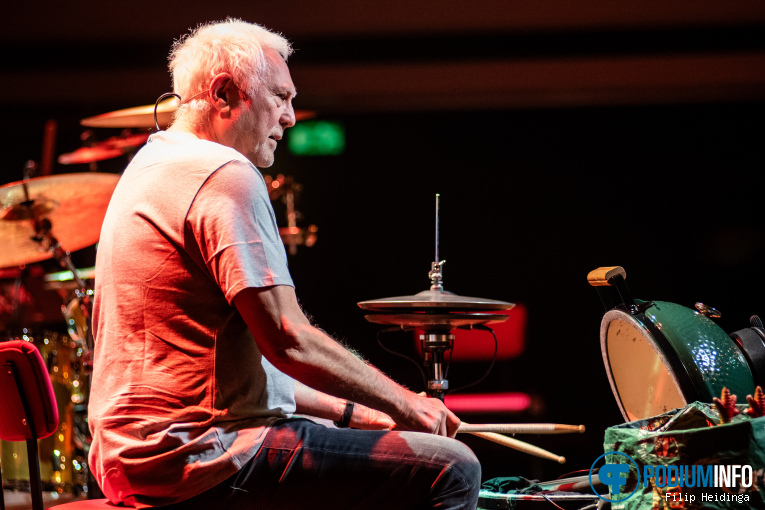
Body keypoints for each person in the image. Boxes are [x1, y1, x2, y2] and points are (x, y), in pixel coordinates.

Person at [88, 18, 481, 510]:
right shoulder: (224, 173)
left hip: (132, 456)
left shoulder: (151, 164)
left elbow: (257, 374)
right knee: (450, 465)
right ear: (225, 93)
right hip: (201, 454)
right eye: (280, 97)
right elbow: (289, 341)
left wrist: (363, 413)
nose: (292, 117)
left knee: (373, 442)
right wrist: (409, 406)